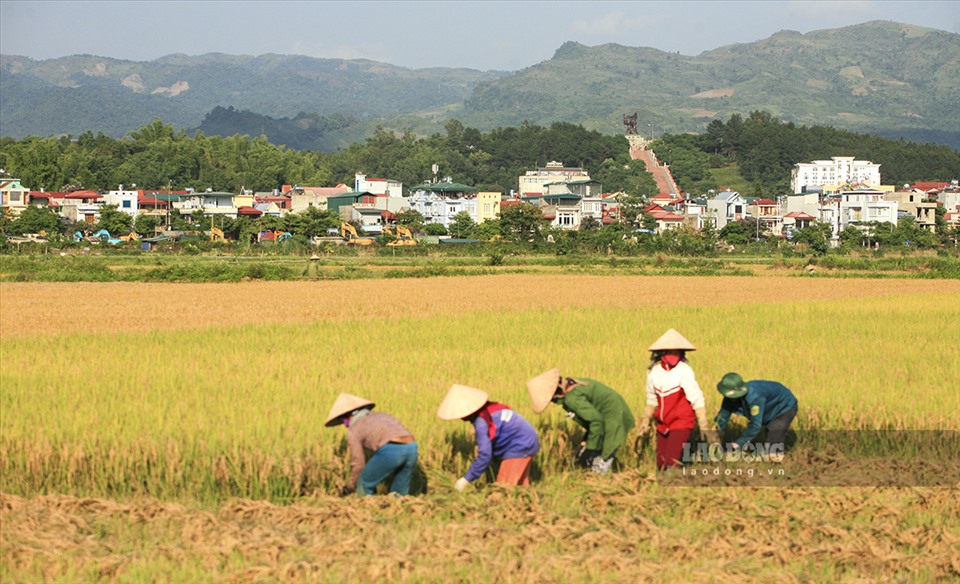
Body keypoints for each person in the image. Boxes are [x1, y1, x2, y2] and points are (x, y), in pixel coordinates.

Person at [526, 368, 635, 474]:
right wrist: (586, 441)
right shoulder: (571, 384)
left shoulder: (571, 399)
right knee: (593, 454)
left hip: (613, 419)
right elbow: (593, 418)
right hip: (611, 414)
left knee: (600, 464)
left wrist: (589, 449)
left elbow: (596, 421)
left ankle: (603, 484)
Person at [437, 384, 540, 491]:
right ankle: (528, 506)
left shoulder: (481, 422)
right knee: (521, 489)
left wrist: (466, 480)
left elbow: (485, 455)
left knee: (502, 491)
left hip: (520, 446)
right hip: (528, 440)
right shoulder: (490, 408)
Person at [638, 328, 712, 470]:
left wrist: (702, 422)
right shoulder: (654, 372)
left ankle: (674, 486)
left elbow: (696, 396)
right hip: (663, 422)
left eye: (676, 352)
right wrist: (646, 419)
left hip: (681, 421)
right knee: (661, 463)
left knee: (671, 461)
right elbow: (652, 398)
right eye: (669, 352)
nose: (673, 355)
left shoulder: (684, 370)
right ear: (661, 353)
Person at [325, 392, 418, 496]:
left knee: (363, 486)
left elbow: (358, 464)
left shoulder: (354, 431)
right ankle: (402, 510)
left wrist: (350, 486)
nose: (345, 424)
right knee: (400, 493)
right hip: (412, 447)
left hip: (391, 450)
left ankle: (366, 510)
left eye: (343, 421)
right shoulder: (382, 415)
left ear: (348, 416)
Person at [715, 372, 798, 462]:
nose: (727, 397)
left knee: (774, 429)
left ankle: (775, 461)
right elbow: (722, 417)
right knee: (769, 428)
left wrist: (739, 443)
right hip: (768, 408)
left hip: (784, 406)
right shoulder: (729, 397)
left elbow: (755, 425)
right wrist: (715, 435)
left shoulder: (754, 397)